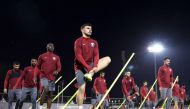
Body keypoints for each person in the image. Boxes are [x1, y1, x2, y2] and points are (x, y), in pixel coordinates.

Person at [74, 23, 111, 109]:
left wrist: (94, 66)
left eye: (91, 28)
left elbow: (96, 55)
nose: (90, 30)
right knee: (82, 89)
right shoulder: (78, 41)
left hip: (91, 67)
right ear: (82, 30)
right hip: (80, 67)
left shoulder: (94, 42)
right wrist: (89, 68)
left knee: (108, 59)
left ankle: (90, 74)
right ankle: (80, 107)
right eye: (88, 28)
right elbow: (78, 56)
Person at [37, 43, 62, 109]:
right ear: (47, 47)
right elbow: (38, 66)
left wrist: (57, 71)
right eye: (49, 46)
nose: (51, 47)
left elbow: (59, 67)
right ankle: (40, 107)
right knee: (46, 89)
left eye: (52, 46)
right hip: (44, 77)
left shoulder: (56, 57)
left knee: (50, 95)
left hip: (52, 78)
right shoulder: (41, 56)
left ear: (54, 48)